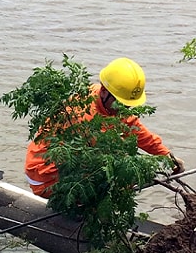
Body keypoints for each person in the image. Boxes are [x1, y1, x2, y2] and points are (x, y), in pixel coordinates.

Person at [24, 57, 185, 198]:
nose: (125, 108)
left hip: (72, 165)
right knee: (120, 178)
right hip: (45, 176)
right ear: (104, 91)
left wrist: (166, 156)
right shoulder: (84, 118)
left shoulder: (107, 101)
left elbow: (134, 129)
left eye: (128, 105)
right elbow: (105, 163)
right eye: (122, 103)